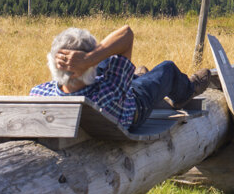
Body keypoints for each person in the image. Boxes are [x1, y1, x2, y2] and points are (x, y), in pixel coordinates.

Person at [30, 25, 210, 131]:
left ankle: (136, 76)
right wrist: (90, 58)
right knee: (167, 69)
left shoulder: (38, 94)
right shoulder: (108, 91)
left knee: (109, 60)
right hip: (135, 102)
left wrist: (86, 62)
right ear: (86, 67)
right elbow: (126, 33)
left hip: (99, 91)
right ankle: (187, 91)